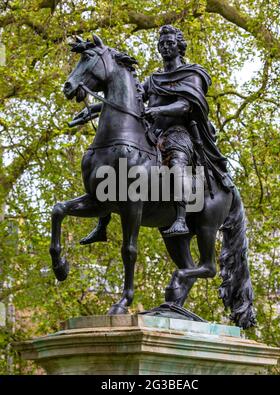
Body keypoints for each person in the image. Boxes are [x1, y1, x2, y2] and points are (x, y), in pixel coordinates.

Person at [76, 25, 233, 244]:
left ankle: (180, 216)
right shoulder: (154, 79)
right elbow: (130, 100)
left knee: (177, 162)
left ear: (179, 46)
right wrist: (92, 110)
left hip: (178, 132)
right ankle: (102, 223)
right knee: (116, 163)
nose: (165, 47)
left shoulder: (193, 74)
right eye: (161, 44)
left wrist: (157, 110)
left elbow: (186, 105)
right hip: (154, 132)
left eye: (169, 43)